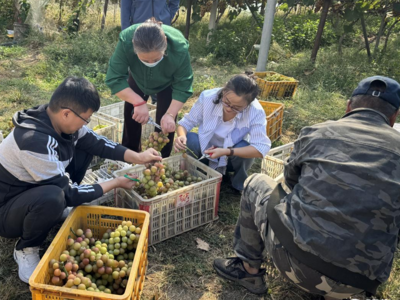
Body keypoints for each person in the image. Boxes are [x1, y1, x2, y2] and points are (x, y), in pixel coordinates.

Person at [213, 76, 400, 299]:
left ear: (349, 106)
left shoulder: (317, 132)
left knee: (256, 183)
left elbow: (291, 182)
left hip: (297, 266)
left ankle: (248, 271)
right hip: (360, 283)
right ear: (393, 117)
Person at [0, 76, 162, 284]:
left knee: (85, 147)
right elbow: (68, 194)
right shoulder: (34, 141)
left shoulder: (57, 120)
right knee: (54, 197)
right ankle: (26, 248)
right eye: (85, 119)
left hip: (30, 191)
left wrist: (137, 156)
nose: (86, 123)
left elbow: (98, 143)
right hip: (6, 211)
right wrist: (115, 183)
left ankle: (51, 211)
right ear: (67, 113)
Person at [106, 18, 193, 158]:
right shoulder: (126, 41)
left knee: (165, 125)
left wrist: (170, 114)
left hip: (168, 82)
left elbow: (183, 86)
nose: (151, 63)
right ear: (134, 47)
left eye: (157, 59)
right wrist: (138, 102)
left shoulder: (179, 47)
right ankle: (130, 154)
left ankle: (160, 158)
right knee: (132, 113)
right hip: (138, 76)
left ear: (165, 41)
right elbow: (114, 78)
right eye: (145, 60)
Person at [174, 74, 271, 192]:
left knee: (245, 147)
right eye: (226, 102)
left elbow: (261, 148)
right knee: (190, 139)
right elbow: (185, 123)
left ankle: (238, 183)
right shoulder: (208, 97)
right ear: (224, 91)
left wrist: (226, 151)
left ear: (247, 105)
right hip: (205, 152)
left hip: (231, 157)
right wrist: (181, 136)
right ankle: (197, 173)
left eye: (237, 108)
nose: (229, 108)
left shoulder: (255, 111)